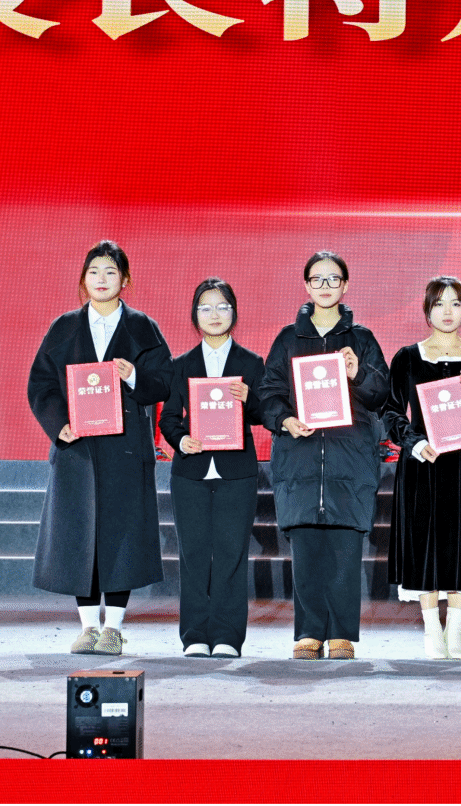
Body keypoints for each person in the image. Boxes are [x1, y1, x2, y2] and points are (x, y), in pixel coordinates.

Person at [25, 240, 172, 657]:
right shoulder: (63, 328)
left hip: (126, 450)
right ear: (83, 280)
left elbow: (164, 383)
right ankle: (88, 626)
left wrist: (134, 376)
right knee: (79, 535)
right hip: (79, 450)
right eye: (94, 272)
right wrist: (60, 425)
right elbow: (41, 385)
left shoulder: (143, 328)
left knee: (121, 537)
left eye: (110, 272)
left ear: (125, 280)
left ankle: (114, 627)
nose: (101, 279)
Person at [258, 250, 391, 661]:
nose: (326, 286)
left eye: (334, 279)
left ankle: (341, 635)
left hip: (349, 459)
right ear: (306, 286)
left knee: (345, 553)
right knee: (306, 553)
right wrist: (285, 420)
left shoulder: (362, 339)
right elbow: (268, 393)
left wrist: (357, 373)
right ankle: (309, 632)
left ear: (345, 285)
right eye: (317, 279)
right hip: (299, 458)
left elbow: (382, 394)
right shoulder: (287, 339)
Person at [385, 276, 461, 659]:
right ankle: (431, 630)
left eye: (455, 303)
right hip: (423, 463)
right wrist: (414, 442)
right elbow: (390, 412)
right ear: (427, 310)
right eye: (439, 304)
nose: (447, 311)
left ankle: (455, 631)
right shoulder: (407, 357)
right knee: (424, 543)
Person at [157, 277, 266, 659]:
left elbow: (265, 414)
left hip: (237, 472)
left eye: (222, 306)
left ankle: (228, 637)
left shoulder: (251, 363)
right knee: (194, 555)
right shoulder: (181, 365)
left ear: (234, 312)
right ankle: (194, 636)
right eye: (206, 307)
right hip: (191, 473)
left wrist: (250, 398)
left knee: (232, 554)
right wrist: (180, 440)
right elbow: (169, 418)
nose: (214, 314)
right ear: (195, 315)